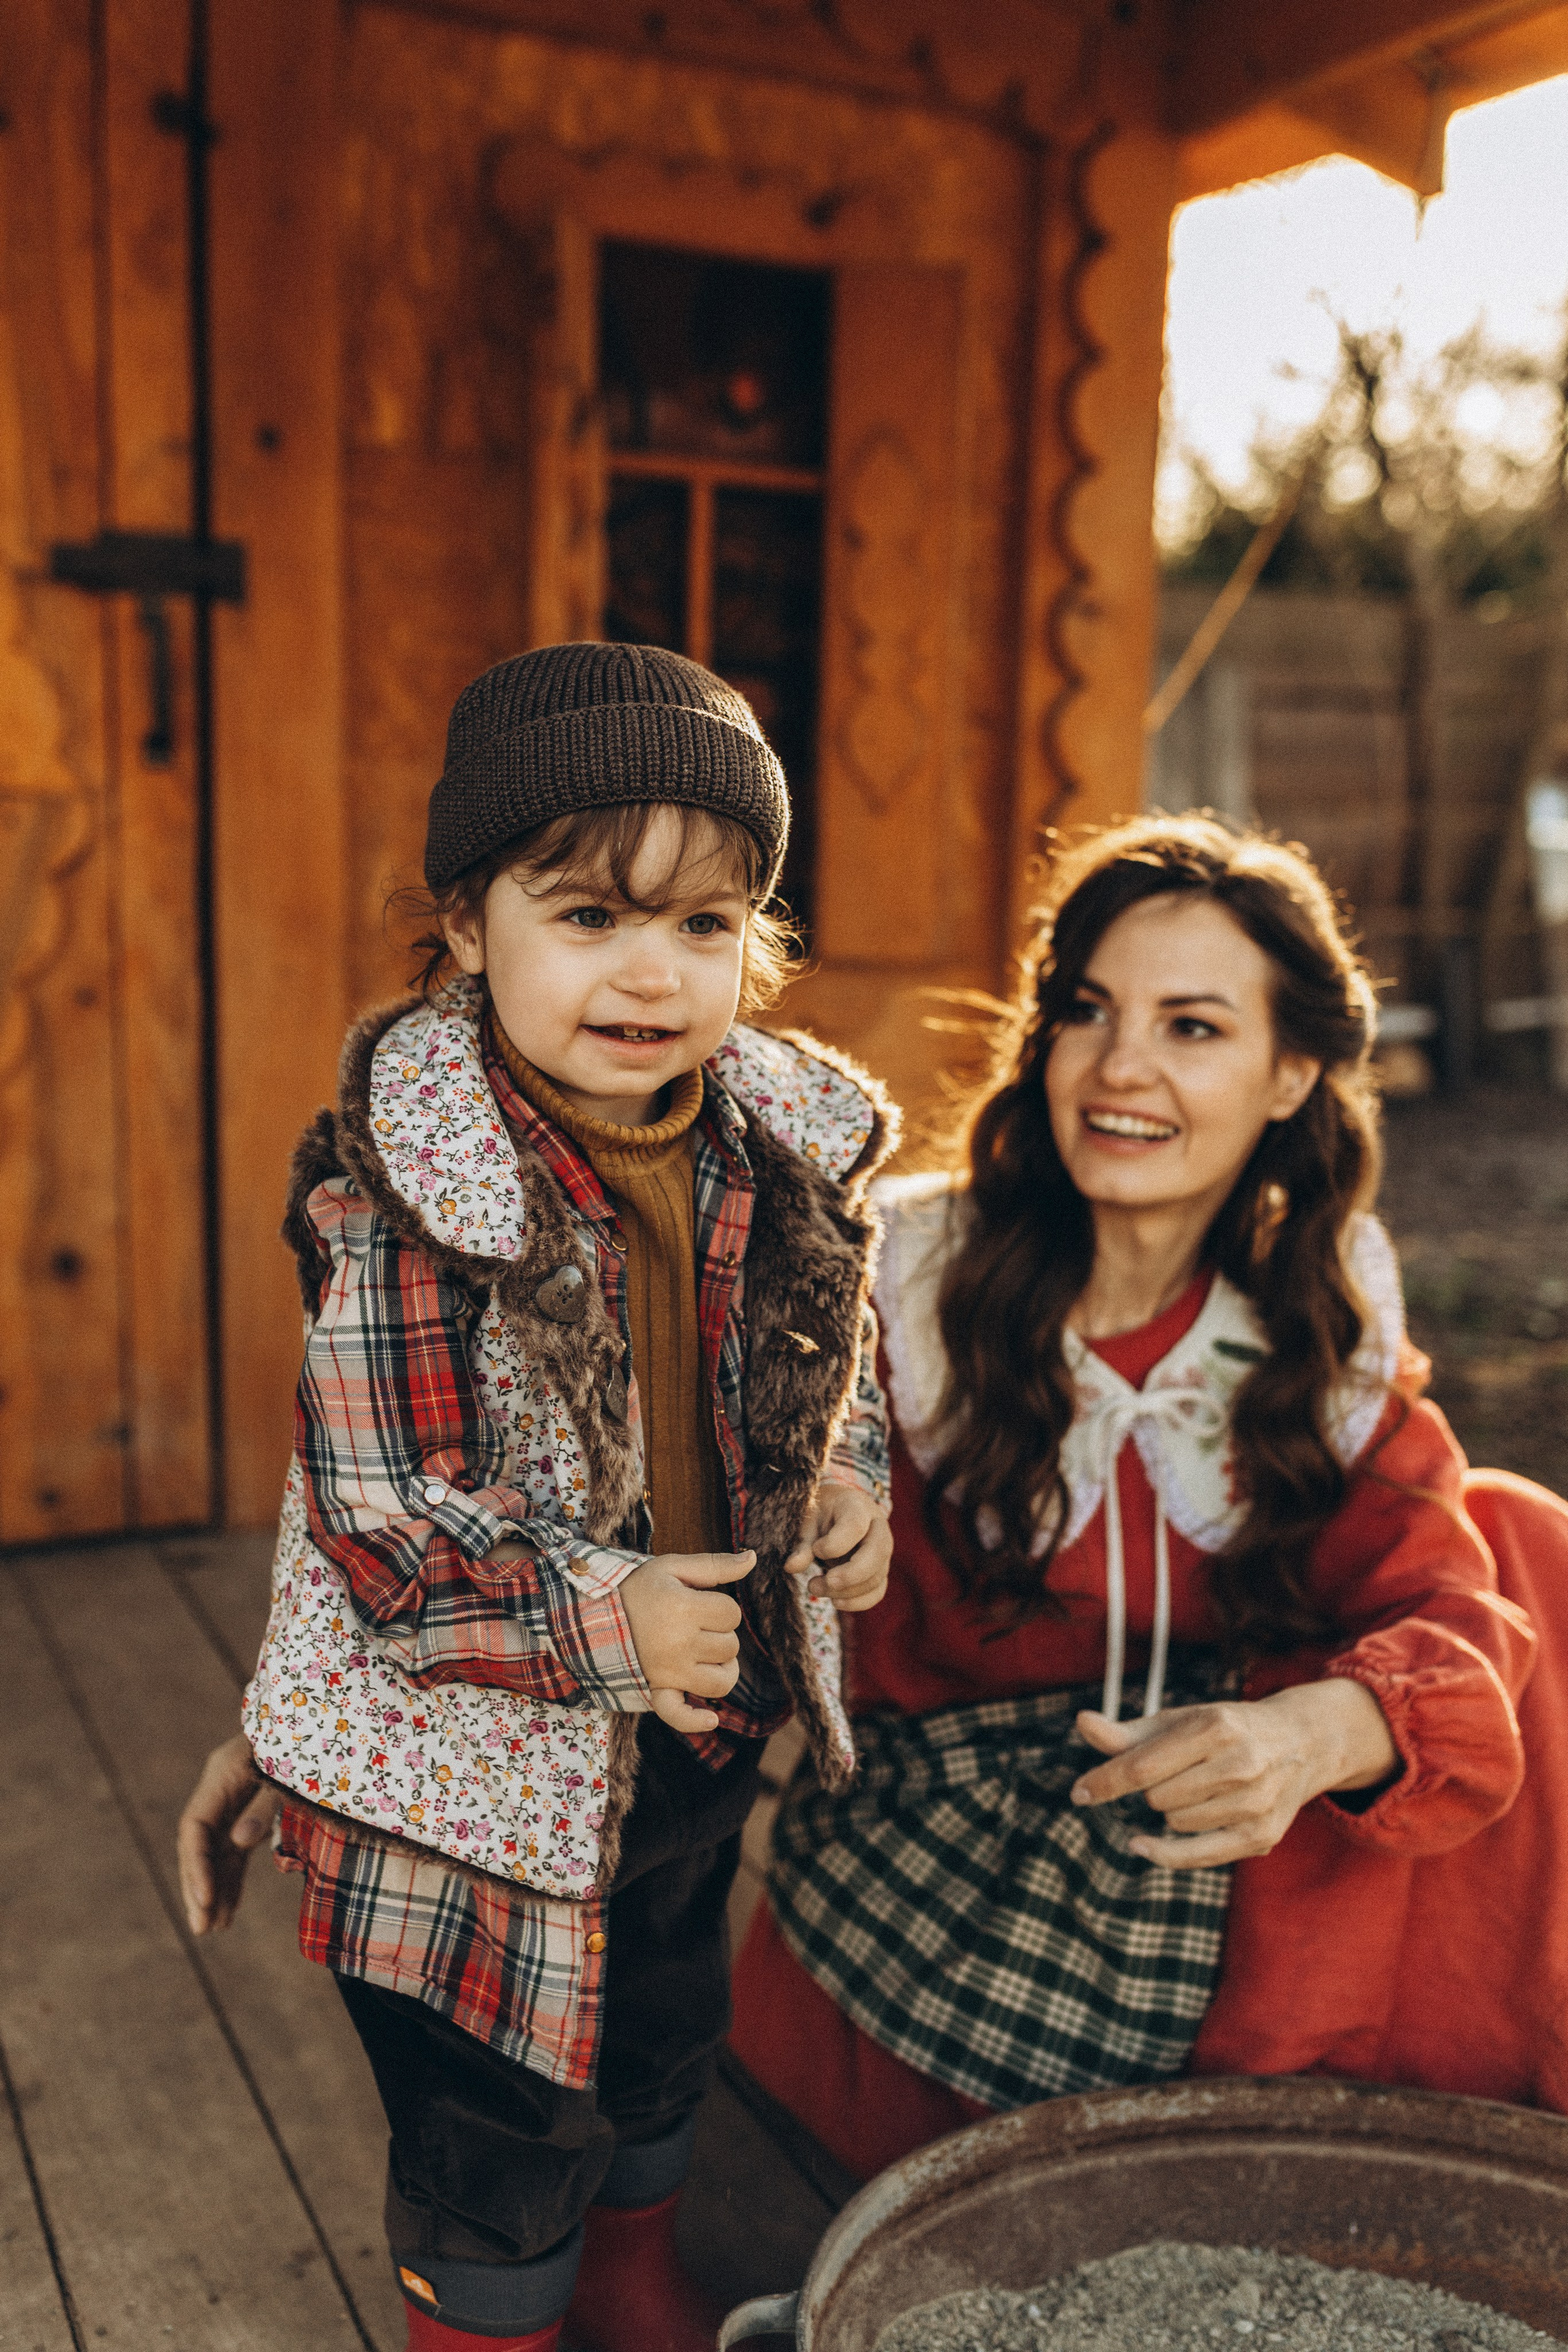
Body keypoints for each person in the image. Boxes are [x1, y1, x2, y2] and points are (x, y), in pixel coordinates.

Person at [176, 643, 897, 2352]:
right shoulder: (404, 1200)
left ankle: (634, 2285)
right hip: (464, 1784)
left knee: (662, 2026)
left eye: (704, 927)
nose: (651, 973)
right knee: (494, 2127)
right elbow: (380, 1528)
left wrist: (845, 1495)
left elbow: (826, 1385)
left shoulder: (776, 1155)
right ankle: (487, 2322)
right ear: (462, 924)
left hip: (687, 1740)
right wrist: (604, 1613)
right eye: (587, 916)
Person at [730, 813, 1568, 2187]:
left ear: (1289, 1072)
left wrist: (1310, 1734)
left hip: (1212, 1857)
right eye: (1087, 1011)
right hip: (955, 1862)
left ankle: (1411, 2143)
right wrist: (811, 1502)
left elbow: (1443, 1603)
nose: (1121, 1069)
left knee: (1510, 1539)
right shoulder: (898, 1287)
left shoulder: (1307, 1320)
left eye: (1192, 1028)